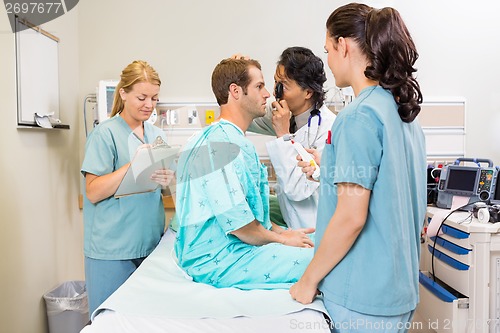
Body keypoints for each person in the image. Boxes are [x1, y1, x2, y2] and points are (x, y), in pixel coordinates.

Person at [289, 3, 427, 332]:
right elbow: (390, 188)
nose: (328, 61)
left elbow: (352, 217)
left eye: (328, 50)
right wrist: (331, 166)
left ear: (343, 45)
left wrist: (308, 281)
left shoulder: (359, 116)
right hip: (398, 291)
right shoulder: (401, 112)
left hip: (363, 298)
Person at [174, 58, 315, 289]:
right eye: (259, 86)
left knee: (318, 243)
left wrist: (285, 232)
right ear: (235, 91)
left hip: (238, 247)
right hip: (218, 259)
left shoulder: (231, 139)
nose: (268, 94)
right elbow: (241, 226)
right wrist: (282, 239)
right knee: (321, 260)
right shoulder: (219, 145)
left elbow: (254, 216)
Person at [81, 60, 174, 316]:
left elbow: (159, 189)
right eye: (142, 97)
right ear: (123, 93)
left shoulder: (157, 135)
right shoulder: (105, 135)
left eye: (154, 98)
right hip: (112, 251)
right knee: (109, 322)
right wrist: (132, 165)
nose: (149, 105)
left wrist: (167, 180)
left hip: (149, 244)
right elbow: (93, 191)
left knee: (145, 321)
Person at [247, 47, 336, 230]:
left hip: (315, 227)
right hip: (292, 222)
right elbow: (242, 116)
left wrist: (283, 135)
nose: (275, 92)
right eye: (275, 83)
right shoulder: (282, 114)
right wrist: (240, 76)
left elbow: (298, 189)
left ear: (308, 92)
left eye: (283, 86)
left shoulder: (328, 129)